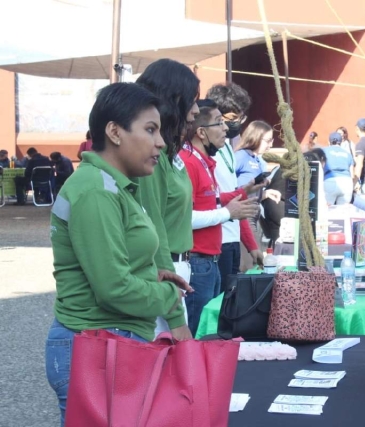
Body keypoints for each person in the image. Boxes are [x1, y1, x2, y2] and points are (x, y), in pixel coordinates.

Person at [45, 83, 193, 426]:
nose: (161, 142)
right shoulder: (97, 190)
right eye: (150, 130)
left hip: (112, 345)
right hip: (96, 348)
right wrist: (168, 293)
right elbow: (113, 288)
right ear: (114, 132)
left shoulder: (120, 185)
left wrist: (150, 275)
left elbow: (115, 263)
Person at [180, 105, 259, 335]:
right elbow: (185, 217)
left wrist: (243, 191)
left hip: (209, 262)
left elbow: (212, 200)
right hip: (197, 262)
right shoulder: (188, 162)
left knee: (210, 331)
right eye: (219, 122)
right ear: (202, 132)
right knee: (196, 333)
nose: (226, 128)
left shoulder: (204, 161)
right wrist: (228, 213)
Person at [136, 58, 199, 340]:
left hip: (178, 266)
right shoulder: (155, 157)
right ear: (174, 98)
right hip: (166, 270)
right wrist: (174, 313)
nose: (196, 110)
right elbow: (153, 224)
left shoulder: (171, 154)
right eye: (192, 101)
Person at [206, 83, 263, 289]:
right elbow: (213, 199)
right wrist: (243, 192)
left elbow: (238, 207)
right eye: (231, 119)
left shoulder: (228, 149)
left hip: (231, 241)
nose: (235, 124)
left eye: (240, 117)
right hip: (215, 242)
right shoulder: (206, 153)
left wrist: (252, 246)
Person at [234, 120, 280, 271]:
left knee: (255, 262)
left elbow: (253, 189)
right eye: (267, 141)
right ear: (255, 137)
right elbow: (228, 184)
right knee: (250, 264)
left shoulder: (259, 160)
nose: (270, 145)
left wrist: (265, 193)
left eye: (271, 140)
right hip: (244, 215)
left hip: (256, 215)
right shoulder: (240, 157)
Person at [322, 132, 355, 205]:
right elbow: (352, 175)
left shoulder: (324, 151)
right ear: (341, 142)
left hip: (330, 181)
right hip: (347, 183)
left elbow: (320, 168)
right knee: (343, 213)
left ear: (329, 142)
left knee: (327, 210)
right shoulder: (348, 154)